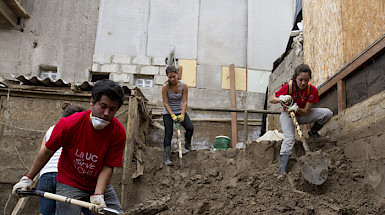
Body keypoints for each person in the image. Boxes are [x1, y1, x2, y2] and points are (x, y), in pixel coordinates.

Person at [12, 79, 126, 215]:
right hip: (70, 182)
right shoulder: (69, 124)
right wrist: (28, 178)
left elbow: (108, 165)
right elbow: (48, 151)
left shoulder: (118, 132)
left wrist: (99, 194)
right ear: (92, 102)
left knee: (115, 213)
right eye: (103, 106)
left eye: (112, 109)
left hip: (97, 182)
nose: (106, 113)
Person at [269, 64, 333, 174]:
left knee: (327, 113)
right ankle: (282, 170)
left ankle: (313, 132)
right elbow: (271, 99)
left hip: (302, 114)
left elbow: (307, 111)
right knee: (289, 139)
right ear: (295, 78)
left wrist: (297, 109)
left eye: (306, 80)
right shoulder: (288, 87)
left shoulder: (312, 90)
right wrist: (281, 98)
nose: (303, 83)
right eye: (300, 80)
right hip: (287, 115)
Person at [38, 104, 91, 215]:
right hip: (66, 177)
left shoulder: (51, 129)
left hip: (46, 175)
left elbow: (43, 153)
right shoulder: (80, 130)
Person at [162, 65, 194, 166]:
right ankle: (167, 157)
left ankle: (187, 144)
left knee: (190, 127)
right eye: (170, 77)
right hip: (168, 112)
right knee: (169, 133)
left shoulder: (183, 85)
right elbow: (166, 103)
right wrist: (172, 115)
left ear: (177, 75)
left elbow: (184, 102)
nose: (172, 79)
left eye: (174, 76)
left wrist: (182, 115)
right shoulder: (165, 87)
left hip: (180, 111)